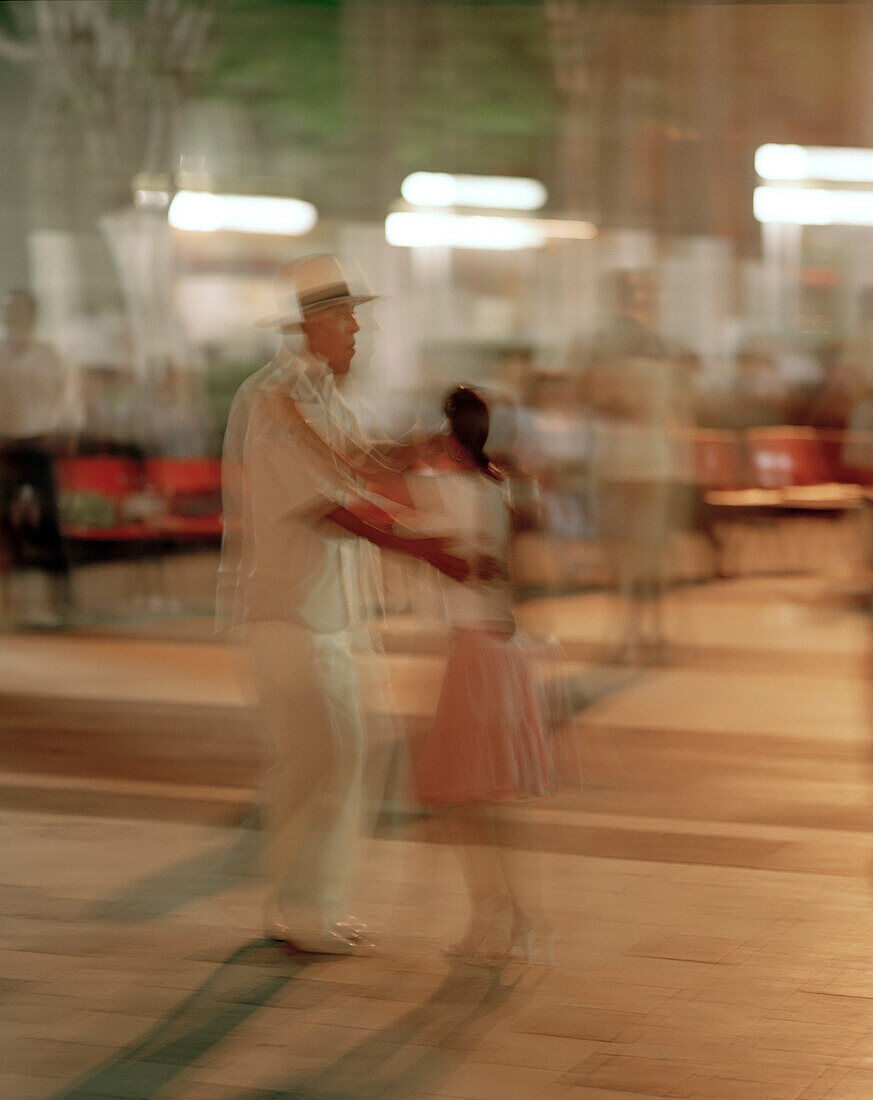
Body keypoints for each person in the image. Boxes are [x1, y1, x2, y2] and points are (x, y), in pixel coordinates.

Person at [216, 254, 473, 957]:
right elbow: (328, 504)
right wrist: (426, 553)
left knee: (334, 758)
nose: (358, 328)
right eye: (346, 316)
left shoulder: (320, 399)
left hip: (327, 613)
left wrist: (426, 450)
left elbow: (360, 460)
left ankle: (310, 904)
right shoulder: (274, 399)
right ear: (312, 327)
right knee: (318, 759)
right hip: (289, 612)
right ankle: (301, 909)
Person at [410, 386, 556, 966]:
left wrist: (415, 448)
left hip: (474, 654)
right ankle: (510, 913)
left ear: (449, 430)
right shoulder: (498, 487)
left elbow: (373, 480)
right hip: (502, 650)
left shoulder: (446, 488)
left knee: (464, 798)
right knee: (483, 798)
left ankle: (500, 913)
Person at [0, 289, 82, 623]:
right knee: (2, 523)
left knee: (48, 522)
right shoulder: (2, 354)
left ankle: (63, 602)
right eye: (7, 310)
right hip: (4, 446)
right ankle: (7, 603)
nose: (11, 316)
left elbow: (66, 398)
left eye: (17, 310)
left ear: (30, 316)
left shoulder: (47, 355)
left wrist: (65, 431)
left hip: (37, 444)